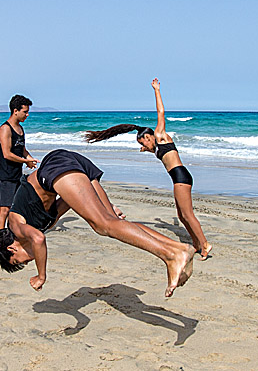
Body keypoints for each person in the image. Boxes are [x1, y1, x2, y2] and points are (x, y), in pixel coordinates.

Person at [0, 148, 195, 297]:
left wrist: (41, 275)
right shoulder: (45, 223)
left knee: (102, 225)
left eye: (19, 260)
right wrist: (105, 206)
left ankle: (170, 256)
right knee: (111, 222)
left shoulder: (15, 225)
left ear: (11, 247)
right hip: (68, 166)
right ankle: (179, 247)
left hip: (55, 167)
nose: (27, 262)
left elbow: (38, 239)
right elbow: (71, 201)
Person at [85, 78, 212, 259]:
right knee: (181, 215)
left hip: (182, 176)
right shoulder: (154, 147)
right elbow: (149, 148)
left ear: (149, 136)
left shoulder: (160, 136)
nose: (141, 145)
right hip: (177, 177)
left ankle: (205, 244)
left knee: (187, 214)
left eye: (142, 141)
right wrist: (144, 147)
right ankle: (197, 243)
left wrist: (156, 90)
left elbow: (161, 112)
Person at [0, 94, 37, 232]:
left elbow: (21, 149)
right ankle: (0, 239)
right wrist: (25, 161)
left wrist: (30, 159)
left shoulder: (20, 128)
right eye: (25, 111)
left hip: (17, 174)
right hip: (5, 176)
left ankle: (13, 233)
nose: (27, 114)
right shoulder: (5, 129)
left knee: (17, 208)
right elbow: (7, 154)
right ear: (15, 111)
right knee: (5, 209)